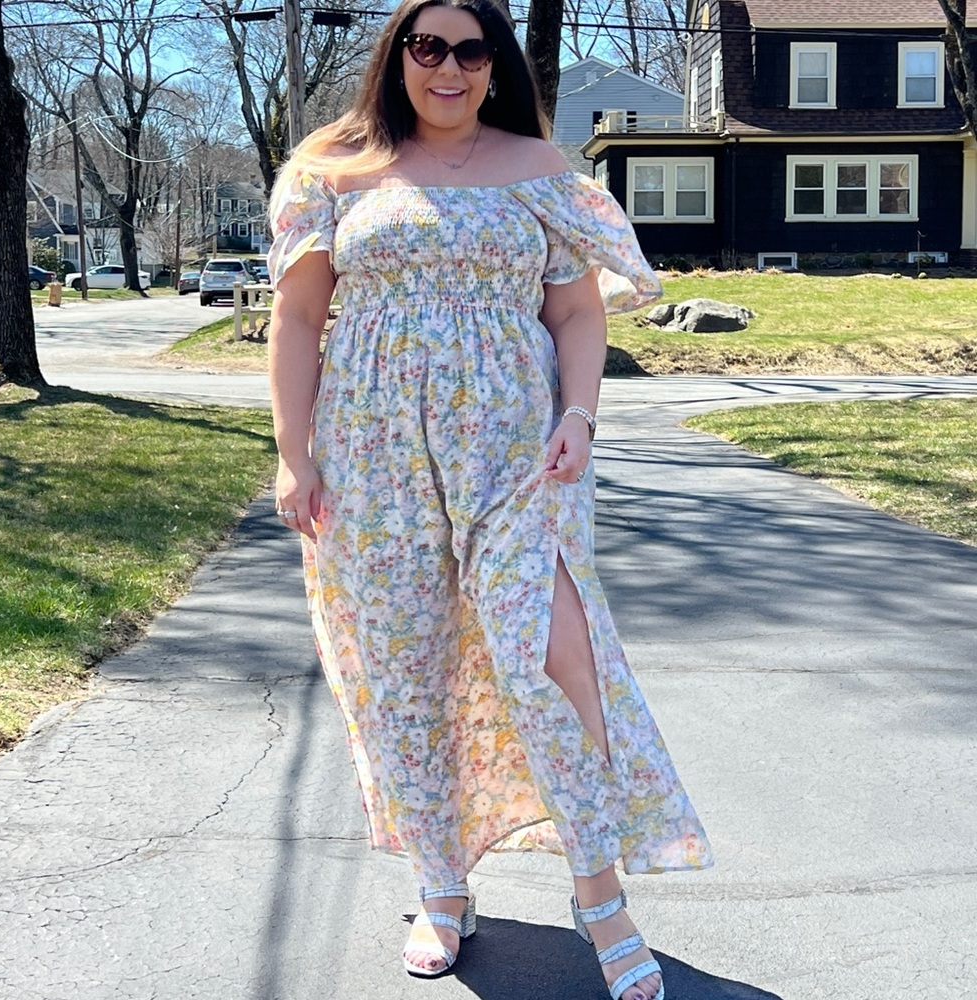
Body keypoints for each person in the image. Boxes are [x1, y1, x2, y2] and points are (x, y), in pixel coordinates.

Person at [266, 1, 712, 997]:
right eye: (428, 47)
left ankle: (600, 897)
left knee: (555, 657)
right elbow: (297, 322)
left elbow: (575, 312)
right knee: (403, 670)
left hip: (513, 457)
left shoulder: (539, 170)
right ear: (398, 58)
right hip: (371, 459)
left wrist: (580, 417)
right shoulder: (331, 172)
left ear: (495, 64)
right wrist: (295, 457)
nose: (449, 68)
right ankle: (441, 885)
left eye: (470, 50)